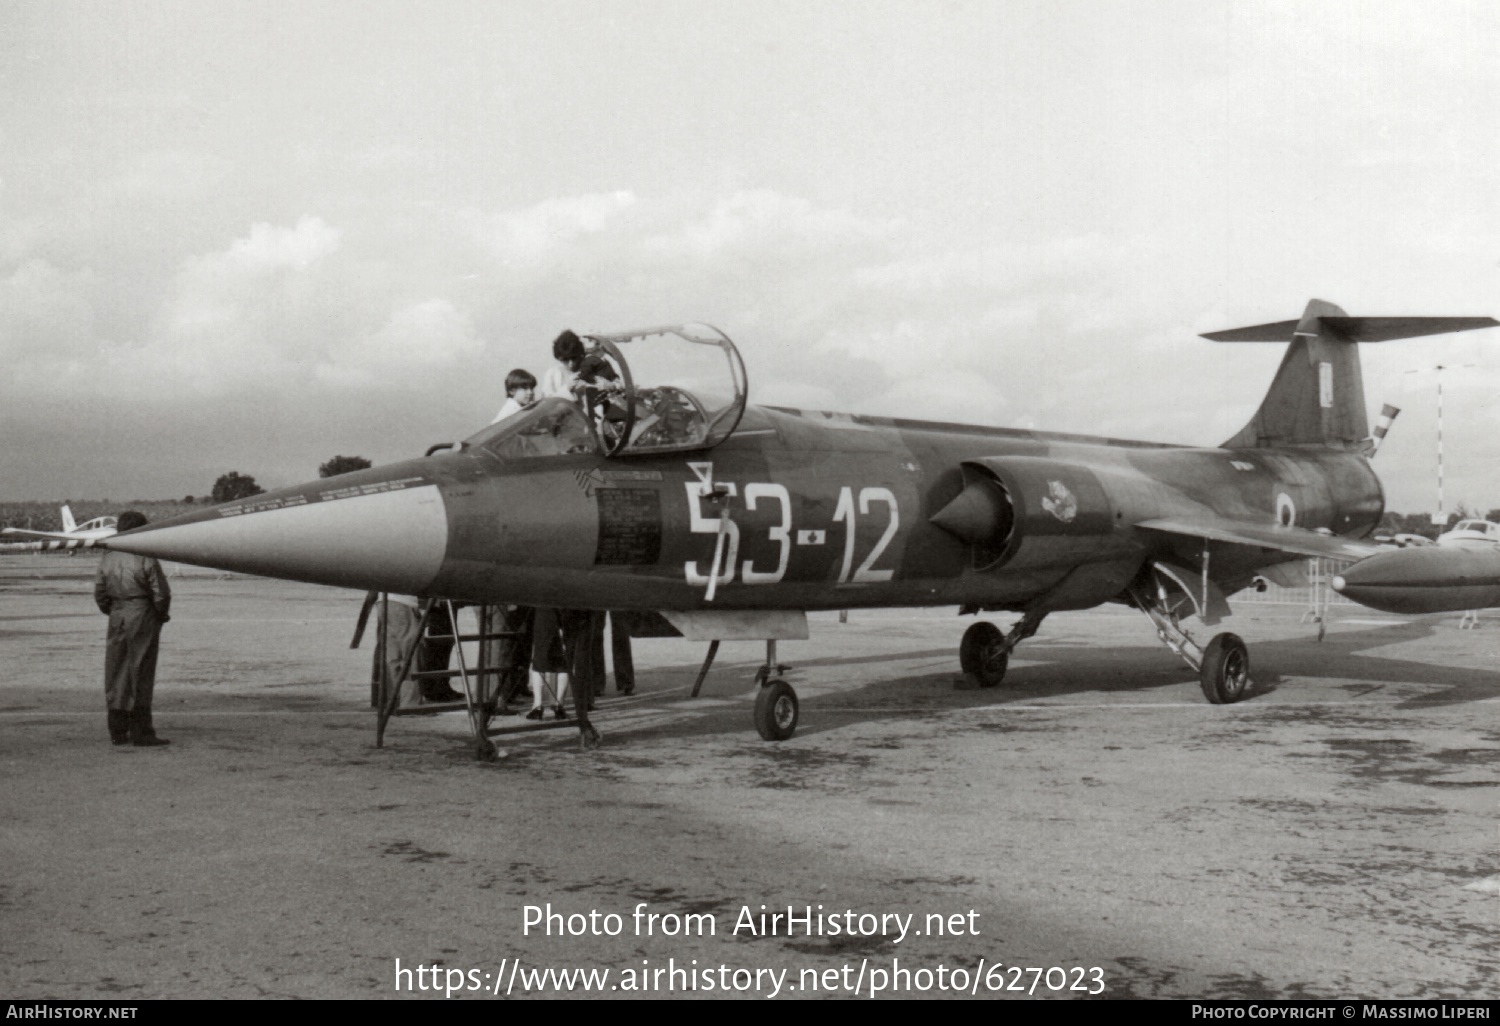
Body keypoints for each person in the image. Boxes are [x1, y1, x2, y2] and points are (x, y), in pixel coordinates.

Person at [93, 511, 171, 747]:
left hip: (117, 613)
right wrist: (160, 614)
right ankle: (142, 731)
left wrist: (114, 610)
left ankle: (117, 730)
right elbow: (161, 592)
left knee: (116, 669)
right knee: (142, 670)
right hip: (142, 612)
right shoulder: (144, 556)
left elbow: (100, 592)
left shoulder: (108, 556)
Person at [526, 607, 570, 720]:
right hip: (566, 611)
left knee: (539, 662)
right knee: (563, 663)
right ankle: (559, 705)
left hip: (544, 613)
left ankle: (538, 706)